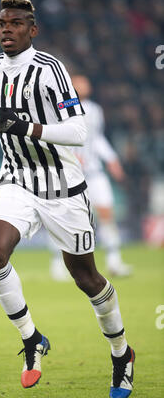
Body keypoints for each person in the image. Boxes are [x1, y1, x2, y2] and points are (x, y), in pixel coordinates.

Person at [0, 0, 135, 398]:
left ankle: (121, 353)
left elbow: (79, 131)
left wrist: (27, 129)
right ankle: (31, 340)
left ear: (33, 29)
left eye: (14, 23)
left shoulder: (51, 71)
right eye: (0, 24)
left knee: (87, 279)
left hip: (63, 188)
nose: (6, 30)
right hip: (16, 180)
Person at [49, 75, 132, 281]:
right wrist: (68, 153)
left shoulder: (95, 109)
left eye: (86, 83)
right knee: (63, 218)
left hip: (94, 173)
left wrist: (112, 159)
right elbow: (54, 135)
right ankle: (58, 263)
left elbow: (97, 138)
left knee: (106, 214)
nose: (85, 86)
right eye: (79, 83)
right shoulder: (60, 107)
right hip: (68, 173)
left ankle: (114, 261)